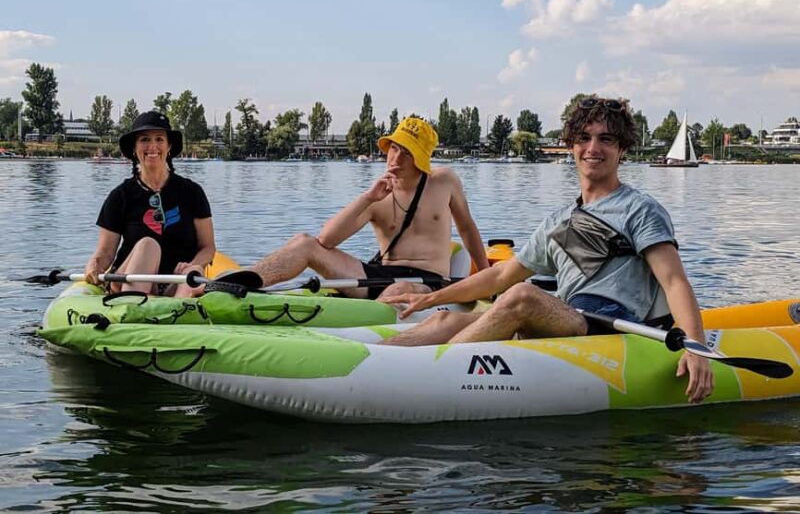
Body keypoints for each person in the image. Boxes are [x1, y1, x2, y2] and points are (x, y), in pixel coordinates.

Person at [383, 97, 714, 404]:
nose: (592, 148)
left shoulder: (640, 210)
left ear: (622, 148)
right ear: (571, 146)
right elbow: (499, 274)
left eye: (606, 139)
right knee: (443, 320)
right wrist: (430, 298)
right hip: (570, 319)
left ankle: (425, 374)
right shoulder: (559, 221)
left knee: (522, 296)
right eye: (583, 138)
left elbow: (674, 282)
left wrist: (695, 347)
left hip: (613, 329)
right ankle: (370, 358)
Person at [246, 116, 489, 299]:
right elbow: (326, 240)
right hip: (379, 275)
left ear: (421, 158)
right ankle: (239, 285)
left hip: (429, 279)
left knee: (398, 290)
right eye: (394, 148)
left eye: (407, 153)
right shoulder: (377, 194)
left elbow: (467, 228)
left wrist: (488, 280)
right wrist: (368, 198)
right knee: (303, 243)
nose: (396, 159)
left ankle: (369, 338)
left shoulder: (444, 181)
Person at [84, 111, 216, 297]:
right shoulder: (120, 196)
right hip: (127, 279)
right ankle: (133, 307)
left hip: (175, 282)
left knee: (192, 274)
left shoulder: (192, 192)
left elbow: (208, 247)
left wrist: (194, 265)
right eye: (145, 139)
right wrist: (94, 265)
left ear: (169, 146)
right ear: (134, 148)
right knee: (148, 245)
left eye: (159, 139)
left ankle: (177, 315)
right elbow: (105, 253)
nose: (152, 146)